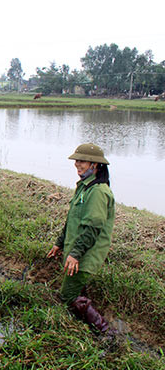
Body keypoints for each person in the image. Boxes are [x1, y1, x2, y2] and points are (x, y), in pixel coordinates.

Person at [47, 143, 115, 335]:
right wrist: (59, 243)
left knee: (67, 297)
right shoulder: (85, 188)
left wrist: (75, 254)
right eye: (76, 160)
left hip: (85, 255)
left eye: (82, 161)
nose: (77, 164)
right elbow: (72, 220)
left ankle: (105, 332)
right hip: (75, 251)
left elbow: (93, 227)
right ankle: (83, 325)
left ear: (96, 165)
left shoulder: (98, 191)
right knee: (76, 290)